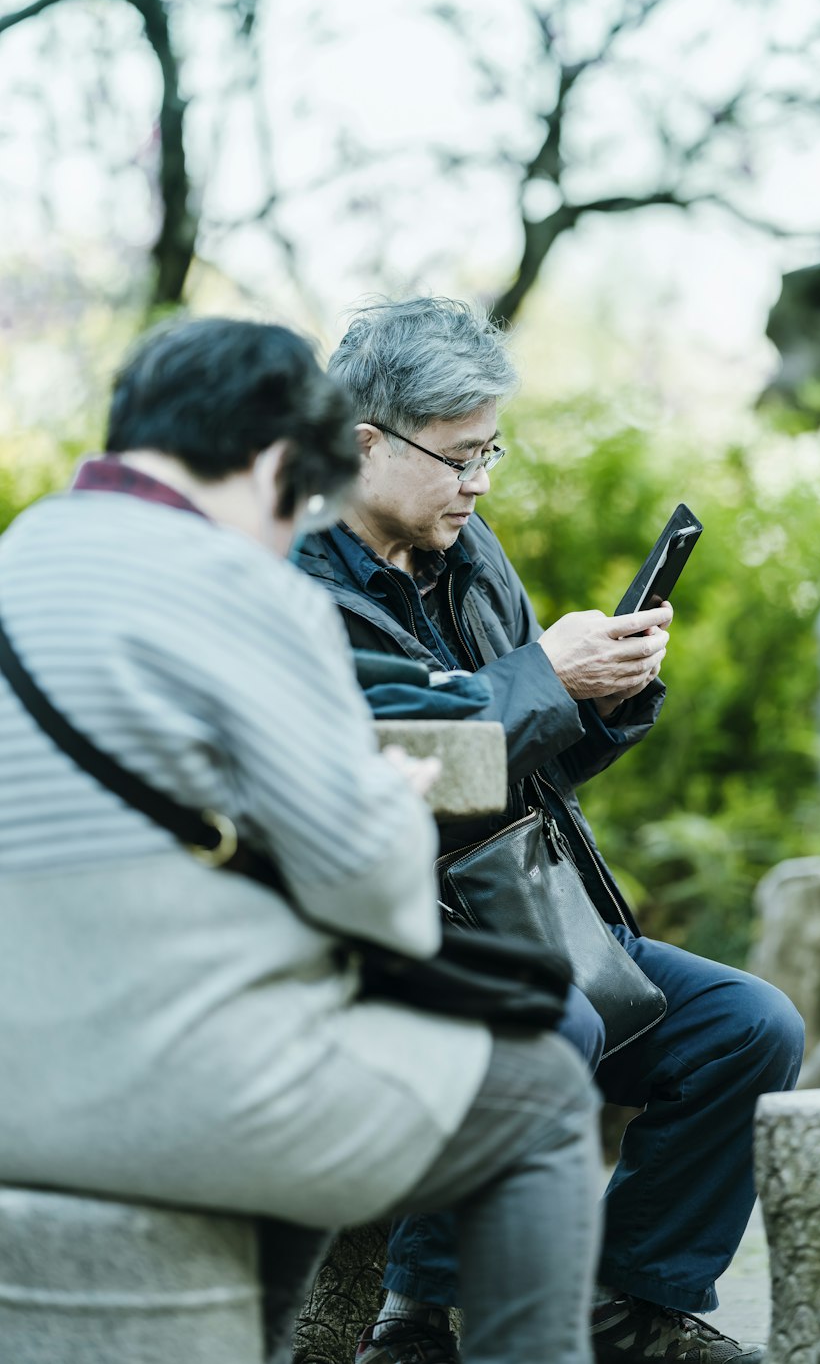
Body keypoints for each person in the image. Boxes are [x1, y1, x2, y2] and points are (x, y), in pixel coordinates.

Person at [0, 316, 604, 1364]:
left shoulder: (18, 560)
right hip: (171, 1095)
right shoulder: (252, 590)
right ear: (281, 461)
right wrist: (385, 794)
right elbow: (372, 892)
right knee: (543, 1094)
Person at [297, 296, 806, 1364]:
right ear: (364, 443)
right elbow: (391, 773)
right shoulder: (288, 583)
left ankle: (624, 1304)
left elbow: (525, 760)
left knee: (748, 1026)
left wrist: (603, 697)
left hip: (532, 905)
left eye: (492, 450)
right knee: (548, 1019)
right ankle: (414, 1321)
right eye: (461, 455)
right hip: (376, 932)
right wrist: (543, 676)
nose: (481, 482)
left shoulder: (469, 552)